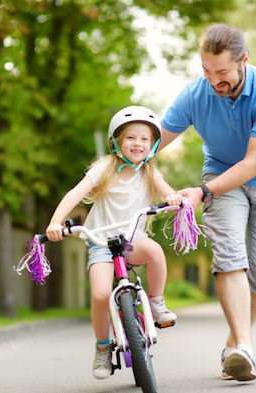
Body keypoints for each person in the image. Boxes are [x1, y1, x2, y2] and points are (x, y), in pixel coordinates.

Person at [159, 23, 256, 382]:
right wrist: (120, 156)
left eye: (222, 72)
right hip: (221, 178)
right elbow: (154, 140)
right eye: (206, 70)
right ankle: (245, 350)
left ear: (244, 61)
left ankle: (235, 344)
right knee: (229, 254)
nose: (213, 81)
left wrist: (201, 193)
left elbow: (254, 163)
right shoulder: (196, 94)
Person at [45, 105, 183, 380]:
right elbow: (74, 194)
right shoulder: (103, 168)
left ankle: (156, 303)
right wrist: (55, 222)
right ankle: (103, 348)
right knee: (99, 295)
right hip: (101, 243)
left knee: (155, 251)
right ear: (117, 141)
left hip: (133, 240)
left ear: (153, 144)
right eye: (131, 137)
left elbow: (169, 193)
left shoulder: (149, 171)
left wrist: (174, 199)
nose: (138, 143)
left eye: (145, 139)